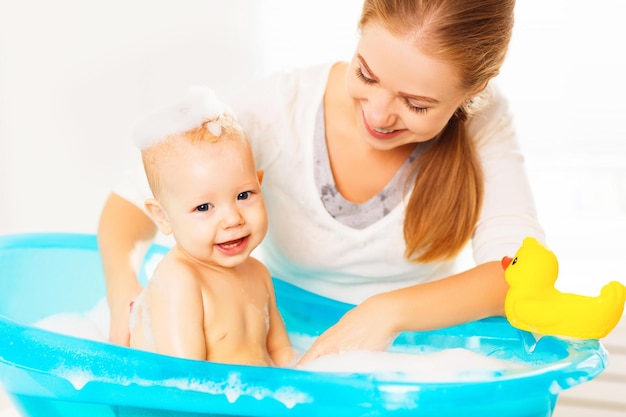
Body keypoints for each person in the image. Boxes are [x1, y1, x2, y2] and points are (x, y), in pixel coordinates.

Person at [98, 0, 545, 366]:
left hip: (410, 361)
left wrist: (388, 312)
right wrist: (125, 292)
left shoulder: (482, 125)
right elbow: (133, 202)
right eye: (366, 74)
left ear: (472, 92)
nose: (378, 113)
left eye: (416, 104)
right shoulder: (276, 112)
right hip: (287, 344)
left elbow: (524, 272)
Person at [125, 87, 294, 367]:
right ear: (163, 217)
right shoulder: (180, 279)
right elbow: (186, 381)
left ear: (259, 183)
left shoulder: (259, 273)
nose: (232, 220)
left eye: (244, 195)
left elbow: (281, 351)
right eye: (204, 207)